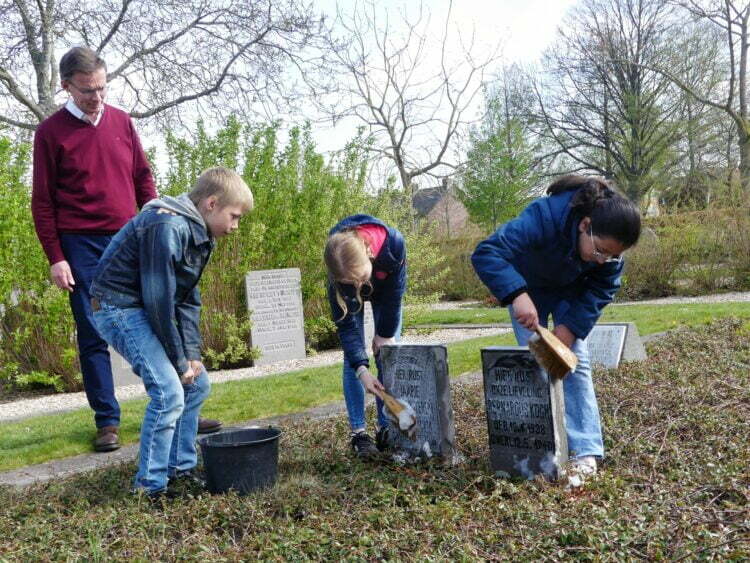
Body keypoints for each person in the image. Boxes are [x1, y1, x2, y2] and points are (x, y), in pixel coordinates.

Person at [31, 47, 221, 452]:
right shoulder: (50, 133)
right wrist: (56, 257)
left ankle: (181, 403)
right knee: (94, 331)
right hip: (80, 244)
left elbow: (142, 177)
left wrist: (159, 220)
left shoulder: (122, 122)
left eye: (101, 88)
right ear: (66, 86)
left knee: (161, 311)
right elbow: (42, 201)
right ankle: (107, 421)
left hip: (131, 237)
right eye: (87, 91)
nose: (97, 97)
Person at [89, 167, 253, 498]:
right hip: (117, 307)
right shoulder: (166, 226)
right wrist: (178, 362)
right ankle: (150, 487)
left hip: (143, 306)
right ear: (211, 203)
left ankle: (180, 468)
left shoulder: (200, 233)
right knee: (169, 393)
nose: (235, 227)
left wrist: (191, 356)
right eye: (234, 216)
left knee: (197, 385)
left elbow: (187, 299)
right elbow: (159, 302)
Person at [471, 174, 641, 481]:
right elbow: (487, 252)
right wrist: (517, 295)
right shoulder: (543, 216)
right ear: (584, 225)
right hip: (527, 287)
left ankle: (585, 450)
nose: (604, 260)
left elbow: (602, 289)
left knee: (575, 358)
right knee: (537, 360)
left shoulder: (609, 251)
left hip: (572, 290)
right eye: (600, 251)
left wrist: (571, 328)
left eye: (613, 255)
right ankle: (542, 442)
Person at [325, 215, 407, 458]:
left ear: (369, 251)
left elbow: (395, 298)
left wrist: (384, 336)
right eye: (350, 282)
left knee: (388, 355)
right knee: (354, 359)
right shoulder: (336, 260)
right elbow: (347, 327)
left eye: (360, 279)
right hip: (357, 281)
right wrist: (362, 370)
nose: (358, 286)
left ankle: (387, 427)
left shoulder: (394, 245)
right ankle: (359, 433)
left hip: (386, 292)